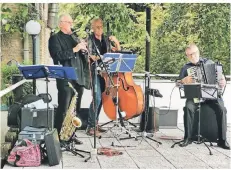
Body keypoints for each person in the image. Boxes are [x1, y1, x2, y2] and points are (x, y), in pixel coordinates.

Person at [48, 14, 91, 144]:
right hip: (65, 78)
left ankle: (71, 134)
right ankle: (59, 138)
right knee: (64, 108)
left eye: (72, 22)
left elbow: (81, 58)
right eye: (69, 22)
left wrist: (84, 50)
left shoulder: (74, 38)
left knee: (75, 109)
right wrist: (75, 49)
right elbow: (57, 56)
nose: (71, 25)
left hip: (78, 78)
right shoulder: (55, 38)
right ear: (61, 23)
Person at [178, 43, 230, 149]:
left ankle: (222, 140)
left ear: (198, 52)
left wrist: (223, 80)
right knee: (188, 107)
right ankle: (187, 138)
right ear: (187, 56)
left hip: (211, 95)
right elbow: (178, 84)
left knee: (221, 109)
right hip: (195, 96)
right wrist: (183, 80)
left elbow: (220, 77)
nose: (192, 56)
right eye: (189, 55)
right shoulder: (186, 68)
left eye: (193, 53)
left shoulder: (210, 63)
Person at [86, 18, 121, 136]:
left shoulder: (106, 39)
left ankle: (95, 123)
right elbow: (90, 55)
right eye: (97, 27)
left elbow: (116, 53)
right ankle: (90, 126)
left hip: (106, 73)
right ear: (92, 28)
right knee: (97, 98)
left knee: (101, 97)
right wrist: (102, 56)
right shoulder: (90, 39)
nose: (99, 29)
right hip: (95, 72)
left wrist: (116, 42)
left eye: (101, 27)